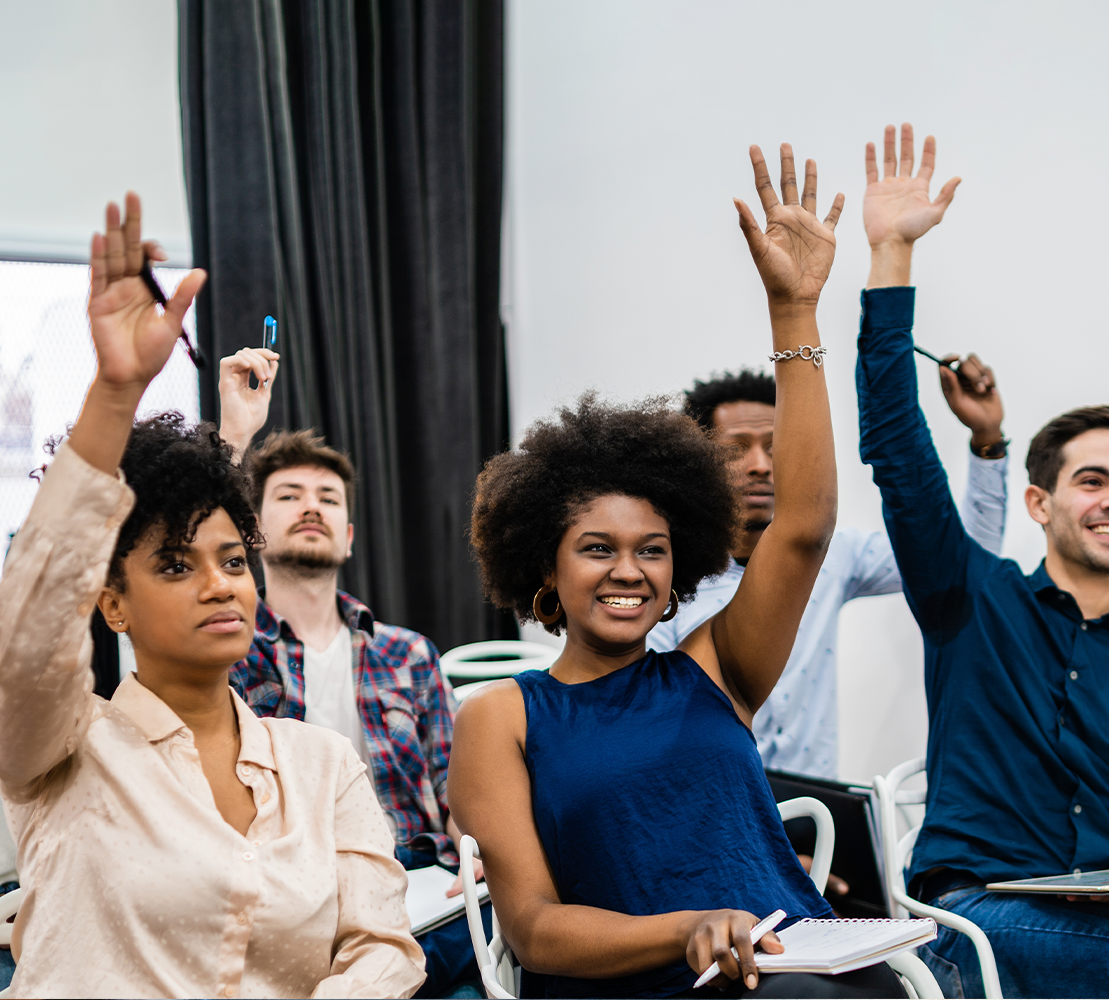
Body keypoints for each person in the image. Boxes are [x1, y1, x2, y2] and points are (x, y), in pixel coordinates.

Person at [450, 145, 906, 999]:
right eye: (597, 548)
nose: (630, 571)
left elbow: (803, 529)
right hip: (649, 984)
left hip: (795, 966)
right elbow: (536, 930)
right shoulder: (499, 718)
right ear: (543, 564)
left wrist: (795, 312)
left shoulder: (713, 668)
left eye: (652, 549)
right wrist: (692, 930)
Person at [0, 194, 425, 998]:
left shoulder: (320, 765)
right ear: (112, 603)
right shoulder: (61, 748)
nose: (218, 584)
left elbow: (384, 950)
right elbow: (31, 626)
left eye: (234, 561)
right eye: (174, 567)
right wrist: (115, 396)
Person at [855, 123, 1109, 997]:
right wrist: (892, 255)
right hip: (972, 920)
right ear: (1042, 504)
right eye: (1093, 480)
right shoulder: (972, 595)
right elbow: (899, 452)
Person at [218, 363, 488, 1000]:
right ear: (252, 529)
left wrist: (476, 853)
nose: (311, 505)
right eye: (288, 495)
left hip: (417, 878)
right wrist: (234, 435)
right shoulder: (225, 648)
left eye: (328, 499)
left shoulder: (409, 653)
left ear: (348, 536)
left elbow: (456, 786)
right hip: (287, 887)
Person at [649, 364, 1008, 780]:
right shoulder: (665, 570)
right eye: (735, 449)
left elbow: (961, 559)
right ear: (697, 464)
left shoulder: (832, 555)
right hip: (708, 804)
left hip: (816, 811)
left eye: (775, 445)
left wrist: (988, 441)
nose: (760, 465)